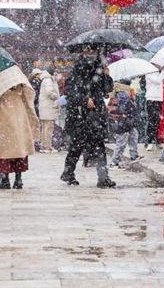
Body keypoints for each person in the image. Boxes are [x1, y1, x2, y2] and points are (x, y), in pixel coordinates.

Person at [60, 49, 116, 188]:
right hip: (80, 115)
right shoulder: (76, 71)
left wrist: (107, 76)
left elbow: (107, 89)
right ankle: (68, 173)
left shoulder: (99, 70)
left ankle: (103, 178)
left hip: (96, 114)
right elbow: (70, 92)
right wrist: (84, 100)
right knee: (76, 146)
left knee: (99, 146)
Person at [109, 85, 143, 168]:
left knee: (133, 135)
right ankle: (114, 163)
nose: (135, 95)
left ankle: (134, 156)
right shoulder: (124, 99)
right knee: (121, 143)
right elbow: (125, 112)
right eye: (134, 94)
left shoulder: (121, 98)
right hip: (122, 124)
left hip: (124, 123)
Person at [34, 68, 61, 152]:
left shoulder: (46, 79)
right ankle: (47, 146)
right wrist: (56, 96)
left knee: (45, 127)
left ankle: (44, 145)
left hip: (45, 108)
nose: (56, 73)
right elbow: (49, 92)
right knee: (48, 128)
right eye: (55, 72)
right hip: (49, 108)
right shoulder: (49, 80)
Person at [143, 66, 164, 151]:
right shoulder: (149, 72)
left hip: (160, 98)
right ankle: (150, 141)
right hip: (151, 98)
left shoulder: (159, 73)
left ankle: (158, 140)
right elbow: (157, 81)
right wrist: (163, 73)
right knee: (151, 120)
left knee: (159, 121)